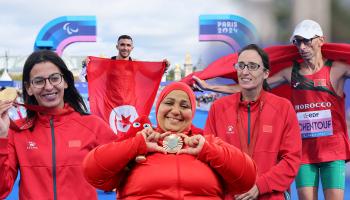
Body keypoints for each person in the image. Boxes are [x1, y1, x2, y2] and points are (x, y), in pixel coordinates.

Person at [195, 20, 350, 200]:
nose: (302, 46)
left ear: (321, 40)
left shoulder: (337, 69)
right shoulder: (290, 72)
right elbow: (251, 85)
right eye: (297, 41)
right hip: (305, 152)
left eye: (307, 40)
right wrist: (210, 87)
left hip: (333, 150)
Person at [82, 81, 257, 199]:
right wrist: (137, 145)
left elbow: (247, 178)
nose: (175, 111)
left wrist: (208, 150)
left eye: (184, 106)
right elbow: (92, 170)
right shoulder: (138, 141)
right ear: (158, 108)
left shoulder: (206, 142)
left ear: (192, 112)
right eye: (169, 103)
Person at [0, 50, 117, 199]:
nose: (48, 87)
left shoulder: (93, 126)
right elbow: (1, 190)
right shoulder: (15, 130)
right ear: (29, 88)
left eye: (55, 78)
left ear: (66, 81)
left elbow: (126, 170)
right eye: (39, 81)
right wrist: (1, 137)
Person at [204, 44, 302, 200]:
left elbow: (291, 160)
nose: (244, 71)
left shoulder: (283, 108)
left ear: (266, 73)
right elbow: (207, 156)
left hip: (270, 196)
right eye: (241, 65)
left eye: (252, 66)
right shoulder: (218, 109)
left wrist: (260, 186)